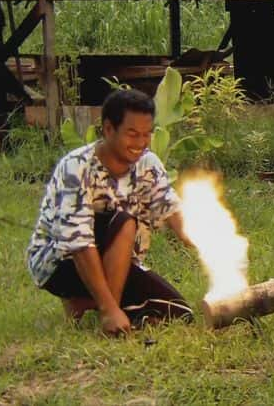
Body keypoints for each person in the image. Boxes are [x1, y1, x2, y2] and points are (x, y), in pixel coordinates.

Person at [26, 89, 193, 336]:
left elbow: (170, 210)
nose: (140, 143)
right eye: (132, 134)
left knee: (177, 312)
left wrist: (204, 240)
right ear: (108, 129)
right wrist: (110, 308)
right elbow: (78, 242)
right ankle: (107, 312)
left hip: (121, 261)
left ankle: (84, 302)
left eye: (146, 134)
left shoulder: (148, 164)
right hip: (61, 262)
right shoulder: (76, 167)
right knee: (124, 221)